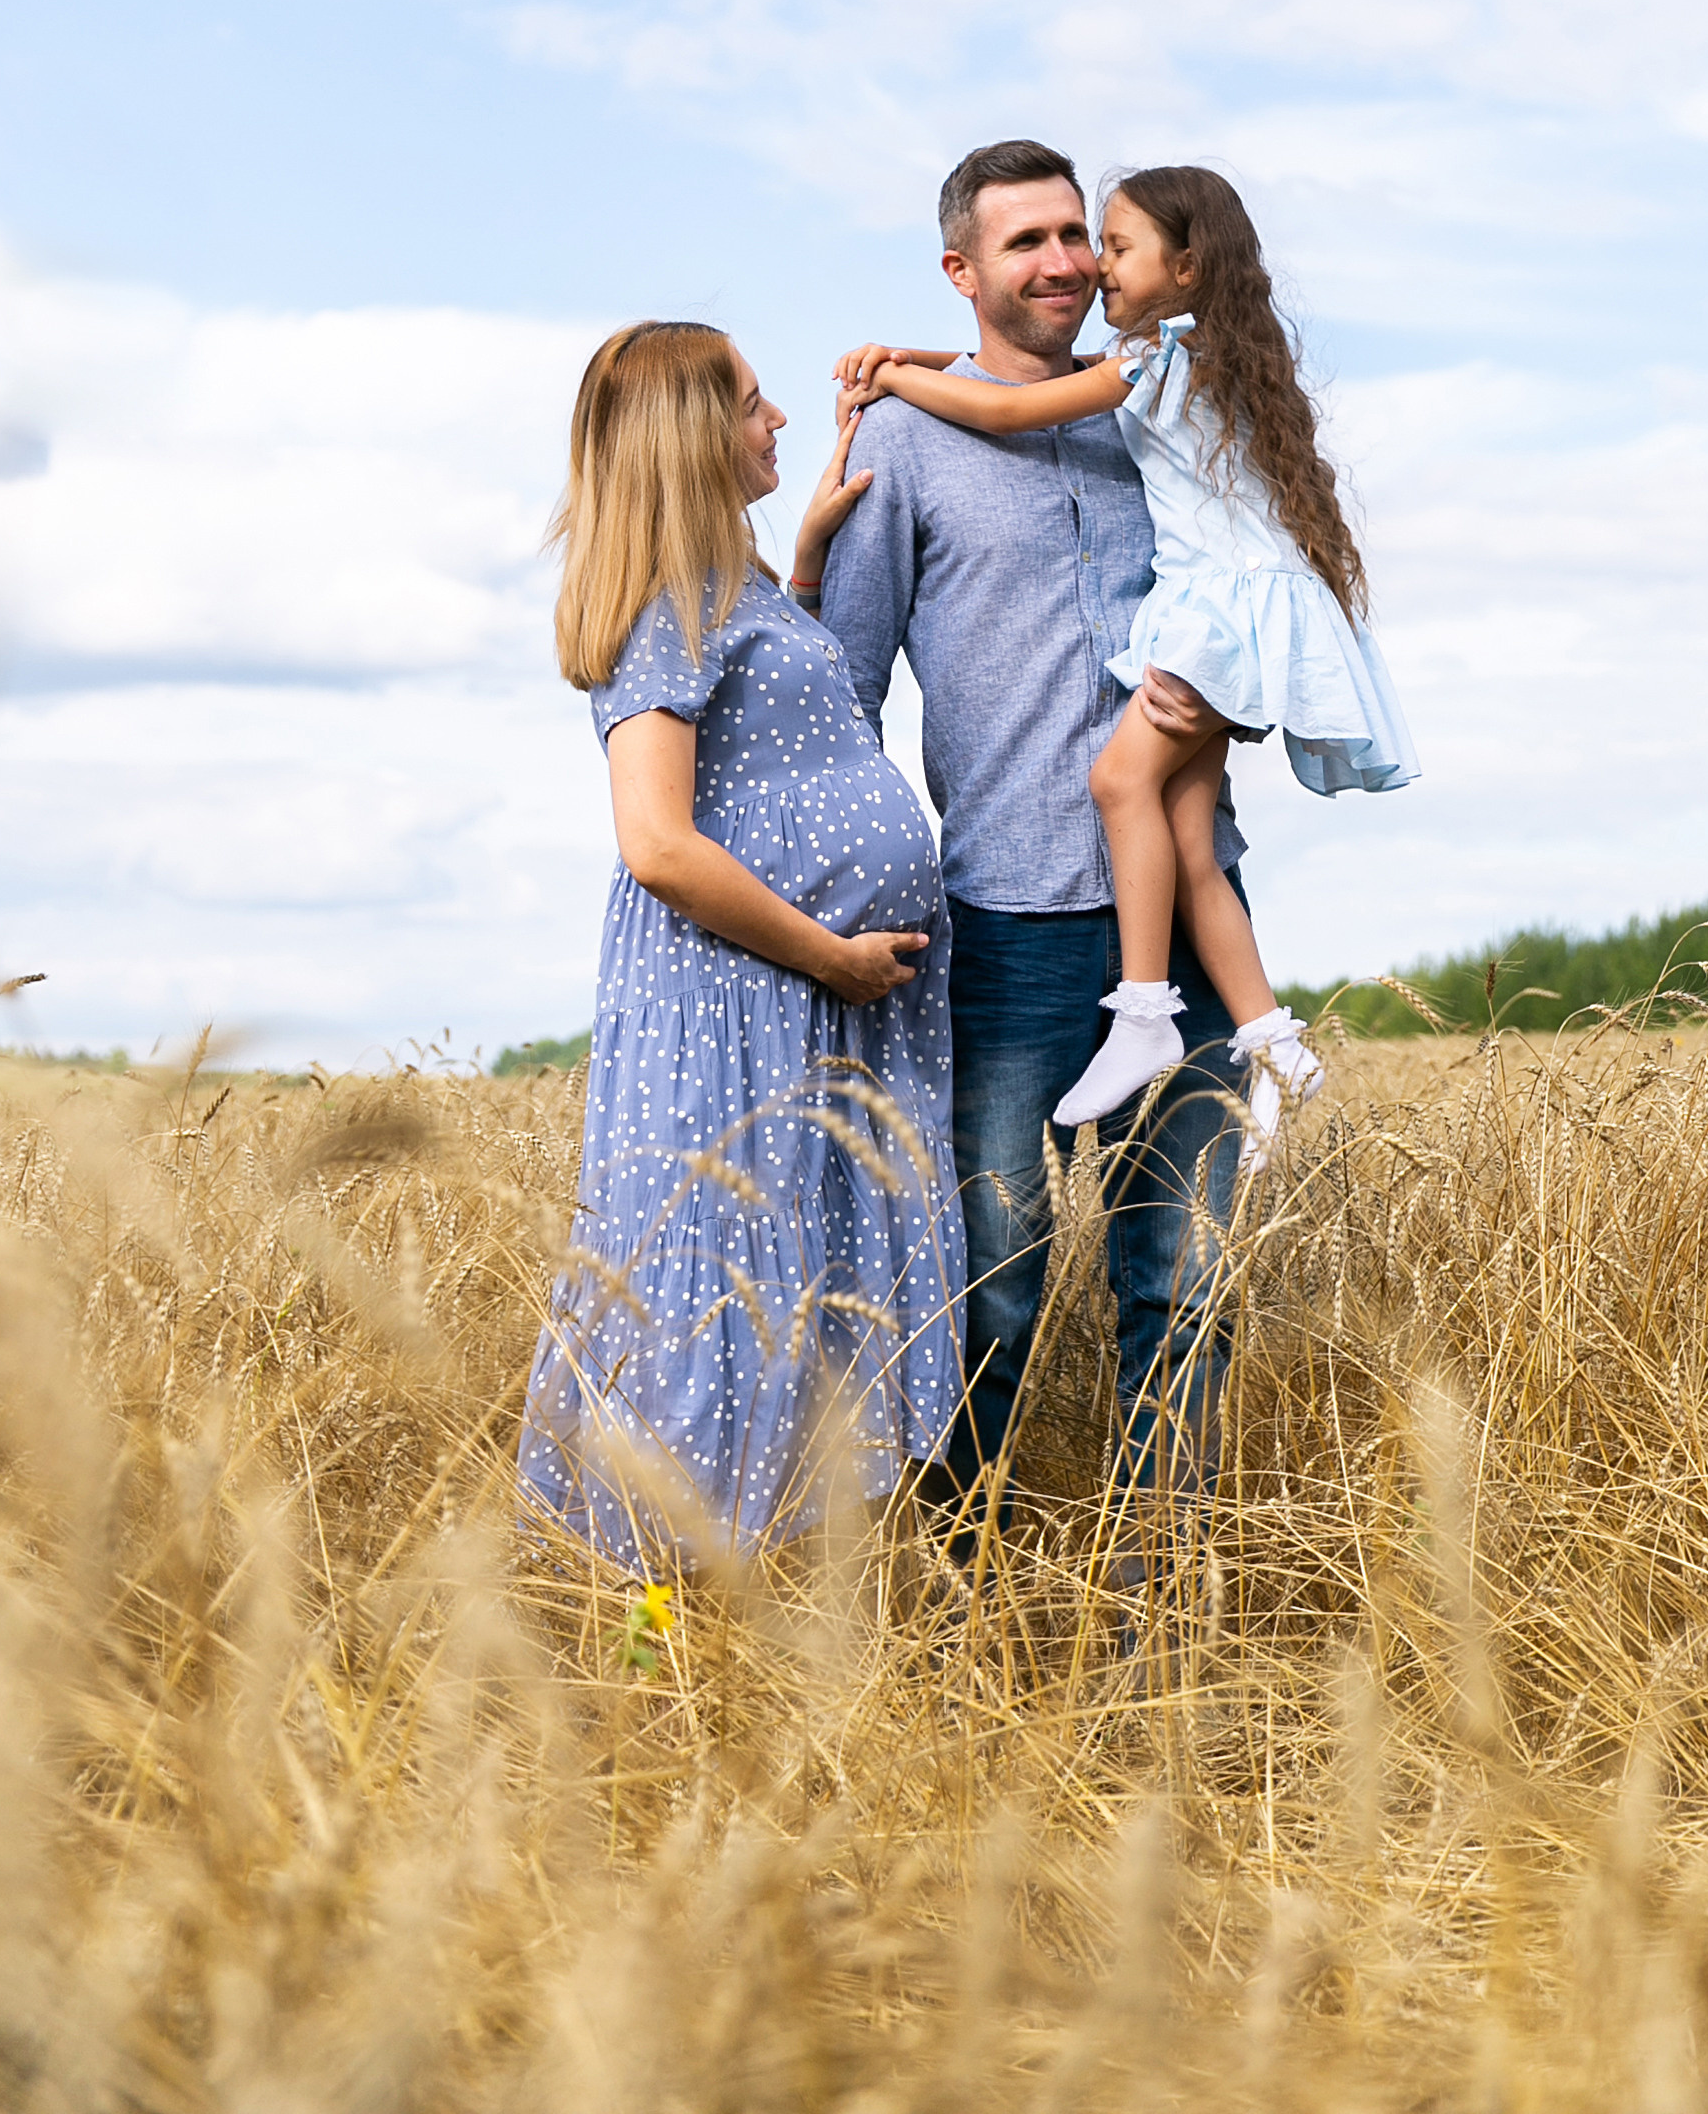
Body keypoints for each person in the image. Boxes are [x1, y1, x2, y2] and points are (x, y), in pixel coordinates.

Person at [817, 141, 1250, 1534]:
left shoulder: (1158, 414)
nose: (1063, 260)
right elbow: (843, 689)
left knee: (1182, 1281)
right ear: (962, 271)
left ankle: (1158, 1607)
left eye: (1078, 234)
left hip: (1184, 920)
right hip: (999, 926)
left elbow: (1251, 582)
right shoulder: (902, 436)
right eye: (1026, 244)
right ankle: (950, 1589)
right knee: (988, 1283)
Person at [516, 320, 963, 1569]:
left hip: (823, 1001)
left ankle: (799, 1614)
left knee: (806, 1297)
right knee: (729, 1302)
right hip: (754, 1001)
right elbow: (657, 842)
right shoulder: (661, 604)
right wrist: (828, 956)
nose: (778, 425)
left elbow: (781, 745)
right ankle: (677, 1622)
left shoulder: (741, 589)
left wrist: (809, 561)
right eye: (757, 405)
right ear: (690, 436)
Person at [858, 162, 1409, 1137]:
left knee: (1121, 785)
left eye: (1103, 243)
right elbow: (1035, 390)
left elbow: (1010, 409)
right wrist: (922, 364)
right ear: (964, 267)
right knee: (1186, 842)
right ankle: (1272, 1038)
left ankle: (1147, 1008)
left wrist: (897, 373)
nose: (1086, 265)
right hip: (1034, 870)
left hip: (1208, 626)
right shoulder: (1190, 355)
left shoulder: (1147, 365)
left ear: (1184, 265)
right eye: (1037, 242)